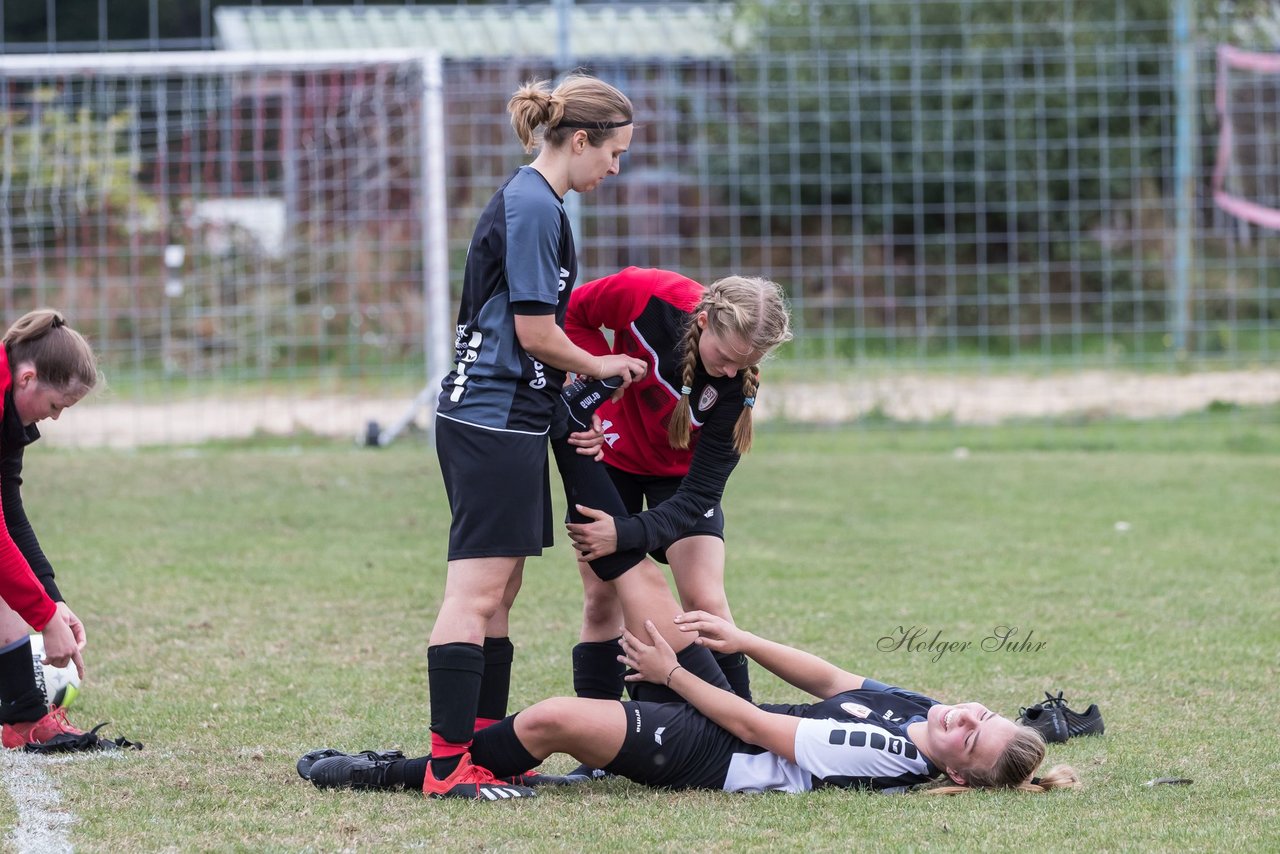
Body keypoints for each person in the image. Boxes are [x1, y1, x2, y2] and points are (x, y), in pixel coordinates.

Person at [425, 74, 647, 800]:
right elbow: (534, 332)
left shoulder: (542, 204)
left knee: (503, 588)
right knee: (476, 591)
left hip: (511, 416)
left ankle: (483, 751)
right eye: (613, 152)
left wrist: (564, 417)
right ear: (578, 140)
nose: (616, 167)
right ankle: (447, 765)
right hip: (488, 417)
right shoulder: (531, 205)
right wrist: (600, 363)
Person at [298, 611, 1081, 796]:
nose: (966, 722)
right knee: (632, 578)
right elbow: (829, 679)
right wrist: (739, 636)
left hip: (713, 755)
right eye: (983, 715)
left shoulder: (894, 758)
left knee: (549, 720)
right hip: (718, 721)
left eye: (971, 743)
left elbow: (747, 725)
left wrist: (671, 673)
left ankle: (400, 774)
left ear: (954, 777)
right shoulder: (921, 709)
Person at [559, 267, 792, 706]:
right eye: (724, 356)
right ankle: (598, 741)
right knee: (601, 600)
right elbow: (572, 314)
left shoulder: (737, 384)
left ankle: (747, 736)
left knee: (705, 601)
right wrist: (593, 379)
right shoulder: (646, 293)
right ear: (704, 320)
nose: (728, 371)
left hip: (681, 484)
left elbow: (699, 496)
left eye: (743, 363)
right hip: (610, 457)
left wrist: (624, 534)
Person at [0, 310, 97, 750]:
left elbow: (10, 513)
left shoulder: (9, 417)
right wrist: (43, 619)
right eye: (55, 405)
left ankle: (23, 718)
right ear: (27, 379)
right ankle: (24, 716)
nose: (54, 418)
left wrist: (52, 599)